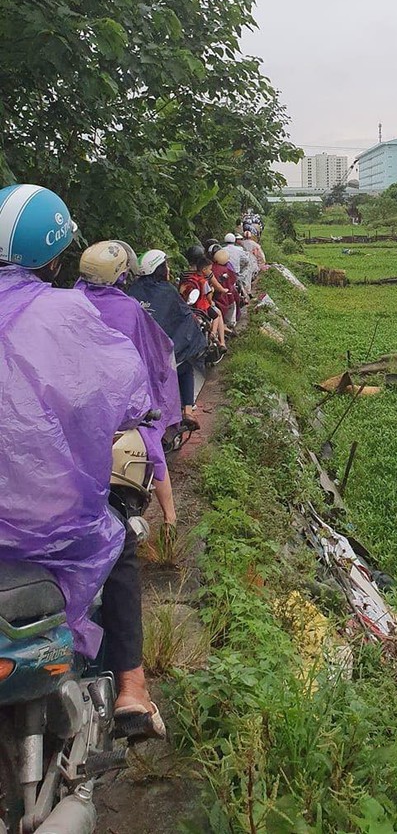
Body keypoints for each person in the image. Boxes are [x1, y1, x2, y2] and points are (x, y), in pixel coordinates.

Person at [0, 185, 164, 739]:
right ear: (54, 254)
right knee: (119, 545)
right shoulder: (66, 312)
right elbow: (127, 393)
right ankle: (133, 689)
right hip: (48, 519)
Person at [75, 240, 180, 529]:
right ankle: (170, 520)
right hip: (120, 401)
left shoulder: (69, 300)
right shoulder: (129, 308)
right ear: (121, 275)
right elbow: (154, 350)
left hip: (76, 399)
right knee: (152, 444)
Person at [128, 249, 206, 424]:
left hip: (135, 354)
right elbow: (184, 318)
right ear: (160, 269)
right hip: (160, 356)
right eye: (166, 266)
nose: (168, 269)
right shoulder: (167, 291)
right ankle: (187, 411)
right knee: (187, 365)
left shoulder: (131, 291)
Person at [179, 249, 227, 352]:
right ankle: (219, 340)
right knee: (217, 313)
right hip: (202, 305)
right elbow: (215, 288)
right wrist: (222, 291)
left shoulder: (184, 274)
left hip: (187, 305)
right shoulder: (205, 276)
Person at [209, 245, 240, 328]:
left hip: (215, 296)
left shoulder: (210, 268)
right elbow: (233, 280)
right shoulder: (228, 269)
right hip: (226, 295)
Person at [222, 231, 252, 296]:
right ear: (234, 240)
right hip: (236, 273)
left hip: (224, 273)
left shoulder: (222, 250)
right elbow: (246, 260)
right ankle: (246, 290)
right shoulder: (239, 249)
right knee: (248, 267)